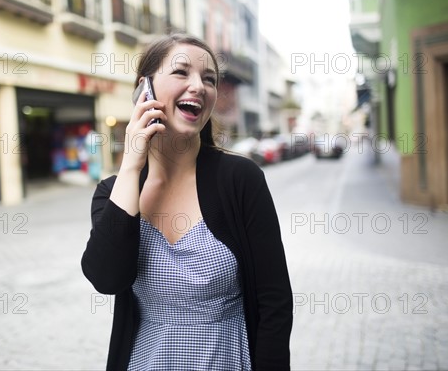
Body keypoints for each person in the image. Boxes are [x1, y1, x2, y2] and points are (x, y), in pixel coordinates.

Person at [81, 33, 293, 370]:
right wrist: (132, 164)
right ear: (144, 89)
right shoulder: (114, 190)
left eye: (209, 79)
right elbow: (107, 279)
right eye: (181, 72)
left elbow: (275, 303)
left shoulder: (241, 179)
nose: (199, 86)